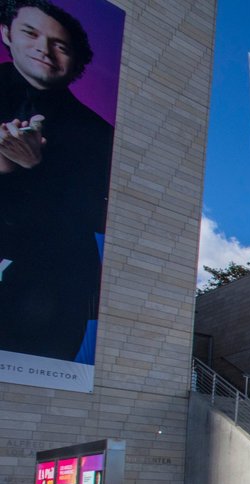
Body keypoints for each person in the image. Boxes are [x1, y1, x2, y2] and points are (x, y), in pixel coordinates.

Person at [1, 1, 114, 362]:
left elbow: (102, 214)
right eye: (31, 33)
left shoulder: (98, 134)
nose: (44, 50)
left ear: (76, 61)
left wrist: (35, 168)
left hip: (49, 290)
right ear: (7, 34)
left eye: (60, 45)